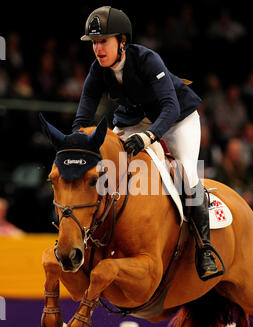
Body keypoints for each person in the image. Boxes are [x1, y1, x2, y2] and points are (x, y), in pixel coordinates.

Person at [72, 6, 219, 280]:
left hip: (177, 119)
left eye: (103, 41)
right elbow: (82, 118)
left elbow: (170, 107)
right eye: (94, 43)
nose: (98, 49)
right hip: (134, 120)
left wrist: (149, 137)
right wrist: (77, 147)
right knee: (109, 166)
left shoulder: (148, 59)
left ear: (122, 41)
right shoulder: (97, 70)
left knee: (188, 175)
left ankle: (205, 250)